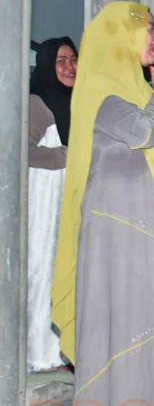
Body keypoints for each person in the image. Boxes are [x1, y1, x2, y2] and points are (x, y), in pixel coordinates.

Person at [51, 2, 154, 406]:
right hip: (111, 225)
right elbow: (138, 133)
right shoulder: (100, 90)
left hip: (150, 223)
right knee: (108, 320)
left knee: (145, 319)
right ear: (119, 36)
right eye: (147, 30)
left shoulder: (142, 88)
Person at [27, 37, 77, 373]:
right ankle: (37, 353)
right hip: (42, 202)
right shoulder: (36, 101)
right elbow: (21, 151)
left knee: (65, 275)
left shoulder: (78, 100)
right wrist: (66, 156)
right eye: (60, 61)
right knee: (40, 271)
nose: (70, 67)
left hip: (67, 199)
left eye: (73, 59)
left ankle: (61, 352)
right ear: (46, 65)